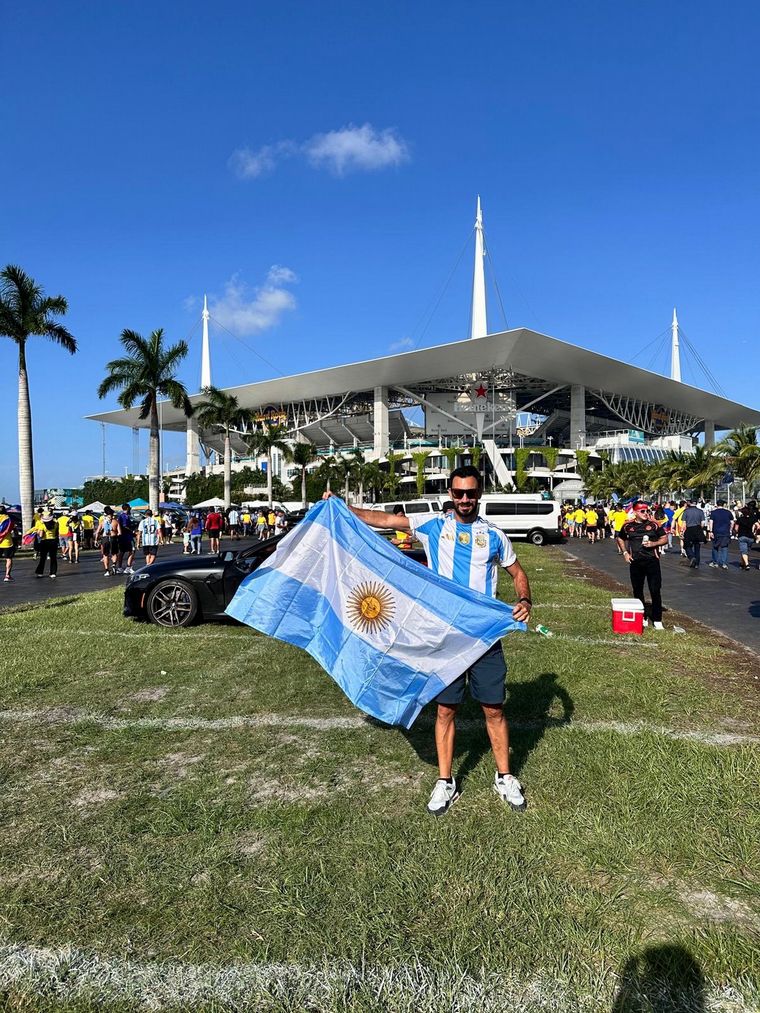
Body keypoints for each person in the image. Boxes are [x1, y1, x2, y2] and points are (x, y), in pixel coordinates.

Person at [325, 465, 533, 816]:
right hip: (444, 639)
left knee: (494, 709)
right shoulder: (434, 526)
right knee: (445, 710)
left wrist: (524, 600)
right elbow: (388, 521)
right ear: (450, 495)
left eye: (470, 493)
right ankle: (445, 781)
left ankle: (504, 775)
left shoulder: (495, 536)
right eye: (458, 493)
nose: (464, 499)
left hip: (484, 638)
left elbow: (517, 572)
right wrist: (344, 508)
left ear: (479, 495)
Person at [616, 501, 669, 629]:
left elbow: (664, 538)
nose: (646, 513)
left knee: (655, 590)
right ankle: (642, 616)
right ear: (635, 512)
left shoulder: (654, 525)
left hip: (652, 561)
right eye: (642, 511)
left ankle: (657, 619)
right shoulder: (628, 526)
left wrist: (653, 544)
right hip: (636, 562)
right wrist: (625, 553)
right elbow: (620, 538)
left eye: (647, 511)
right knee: (637, 590)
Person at [33, 509, 59, 579]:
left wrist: (38, 532)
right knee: (53, 558)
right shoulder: (56, 523)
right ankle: (53, 573)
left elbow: (41, 535)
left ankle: (40, 572)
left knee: (43, 558)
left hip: (45, 542)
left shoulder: (42, 525)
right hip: (53, 541)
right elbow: (56, 533)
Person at [708, 500, 734, 570]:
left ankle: (715, 562)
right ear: (724, 505)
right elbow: (732, 522)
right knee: (724, 547)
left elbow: (711, 522)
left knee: (715, 547)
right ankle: (724, 563)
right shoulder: (728, 512)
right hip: (725, 532)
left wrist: (710, 531)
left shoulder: (713, 513)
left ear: (717, 504)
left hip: (716, 532)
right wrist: (730, 530)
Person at [95, 506, 120, 576]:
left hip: (105, 538)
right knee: (114, 553)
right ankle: (114, 564)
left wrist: (96, 540)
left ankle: (107, 570)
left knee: (105, 555)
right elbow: (120, 532)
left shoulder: (102, 522)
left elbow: (97, 532)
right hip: (113, 538)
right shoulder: (115, 521)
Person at [734, 502, 759, 571]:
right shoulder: (753, 519)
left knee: (744, 551)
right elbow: (758, 526)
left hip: (742, 536)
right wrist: (755, 532)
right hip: (750, 537)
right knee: (745, 551)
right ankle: (742, 563)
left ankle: (747, 564)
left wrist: (736, 533)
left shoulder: (740, 519)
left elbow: (736, 529)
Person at [681, 500, 706, 569]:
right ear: (696, 503)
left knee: (687, 545)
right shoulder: (700, 511)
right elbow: (703, 523)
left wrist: (682, 531)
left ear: (690, 503)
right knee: (697, 547)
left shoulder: (686, 511)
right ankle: (697, 564)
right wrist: (700, 529)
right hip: (698, 529)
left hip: (689, 529)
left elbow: (684, 523)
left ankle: (691, 556)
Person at [115, 503, 136, 574]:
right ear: (127, 508)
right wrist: (132, 531)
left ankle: (120, 567)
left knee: (122, 552)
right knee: (132, 550)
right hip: (127, 536)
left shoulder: (120, 516)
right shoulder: (125, 516)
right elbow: (125, 526)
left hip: (122, 537)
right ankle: (128, 567)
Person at [0, 507, 16, 582]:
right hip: (7, 542)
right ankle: (7, 576)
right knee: (8, 559)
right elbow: (13, 528)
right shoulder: (9, 519)